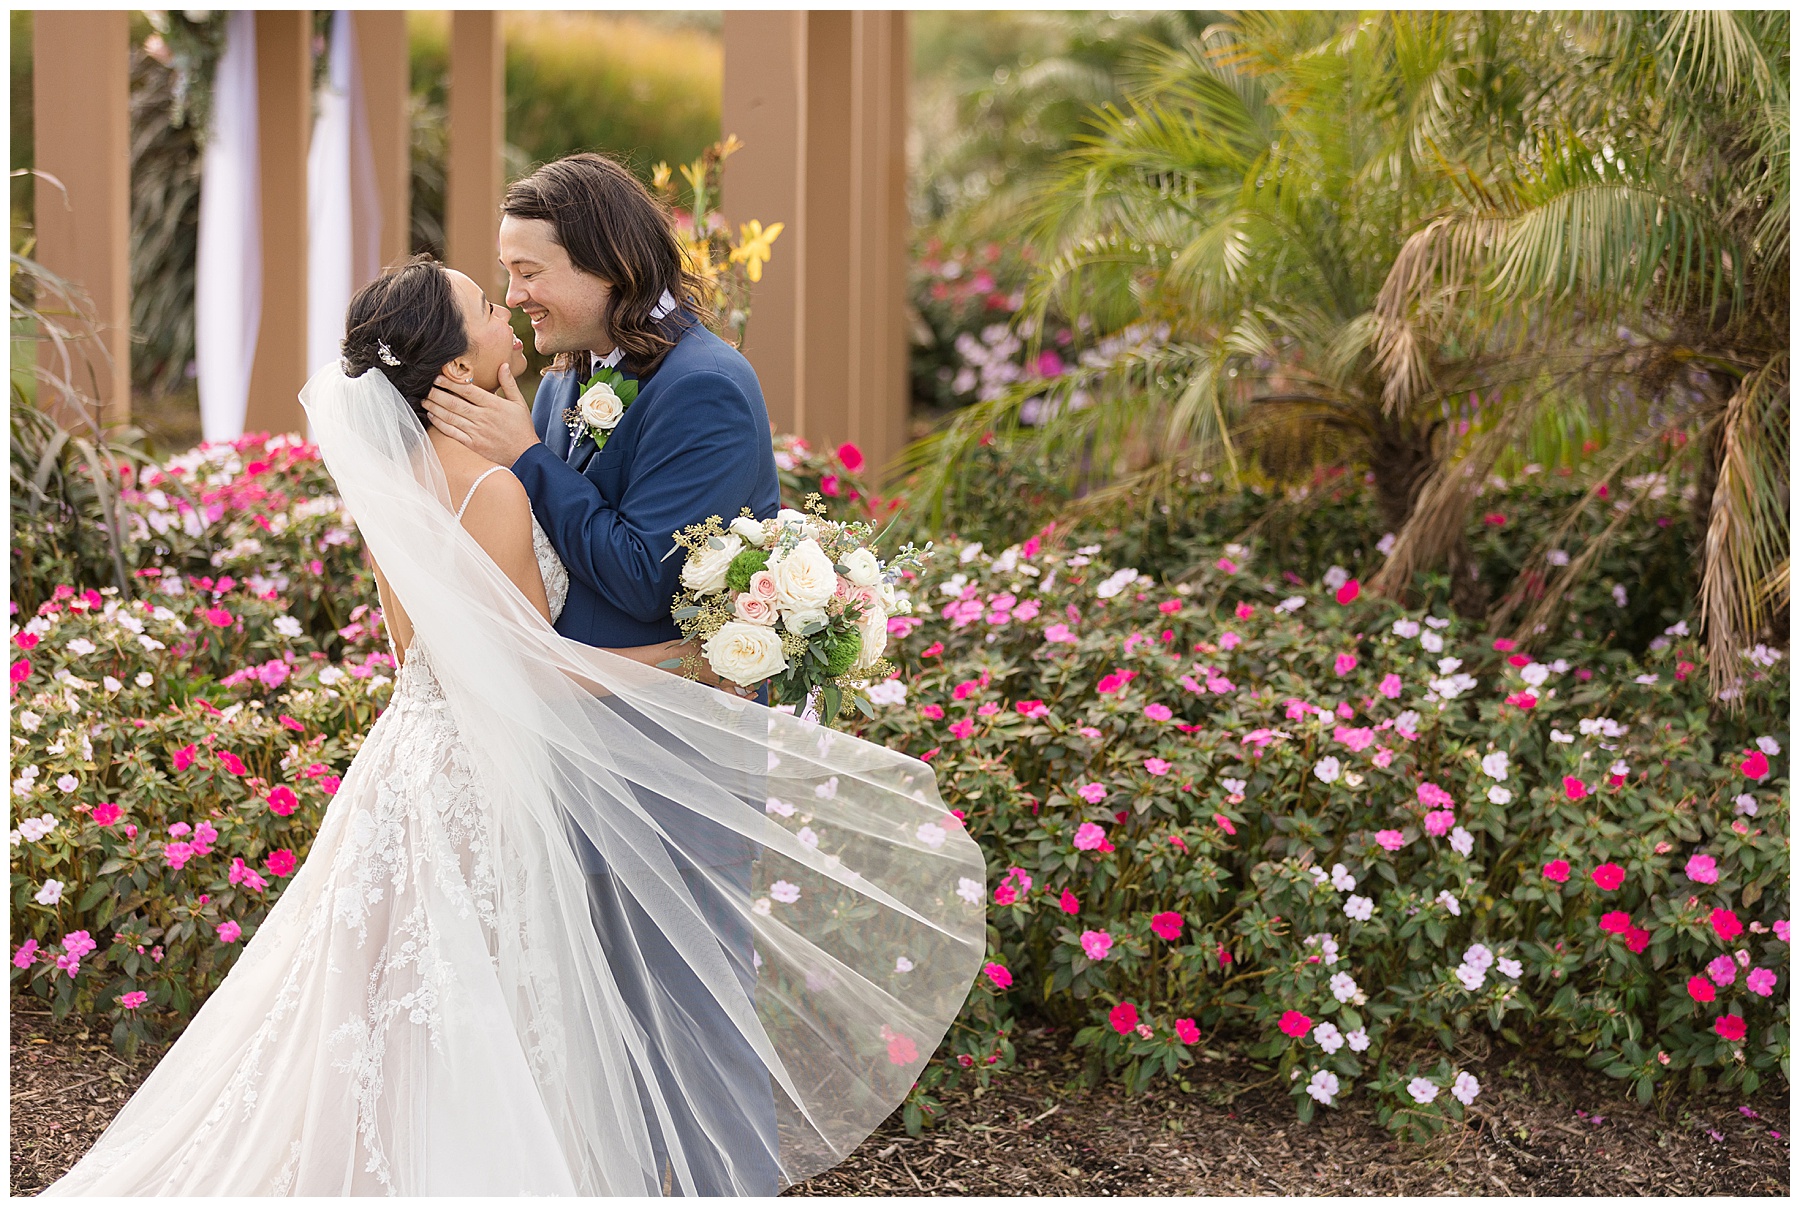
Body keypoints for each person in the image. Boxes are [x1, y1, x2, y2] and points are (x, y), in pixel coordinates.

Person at [42, 258, 986, 1196]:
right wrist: (699, 660)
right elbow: (534, 675)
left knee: (391, 1013)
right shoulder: (489, 489)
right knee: (480, 1006)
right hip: (480, 776)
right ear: (452, 368)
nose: (511, 312)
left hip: (410, 763)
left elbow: (430, 655)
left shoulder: (403, 475)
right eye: (491, 305)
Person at [421, 153, 783, 1194]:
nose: (518, 295)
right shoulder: (577, 374)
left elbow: (648, 574)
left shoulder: (706, 386)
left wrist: (526, 460)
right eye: (506, 272)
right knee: (596, 1017)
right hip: (579, 727)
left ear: (610, 263)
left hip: (674, 740)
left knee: (688, 1004)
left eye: (530, 271)